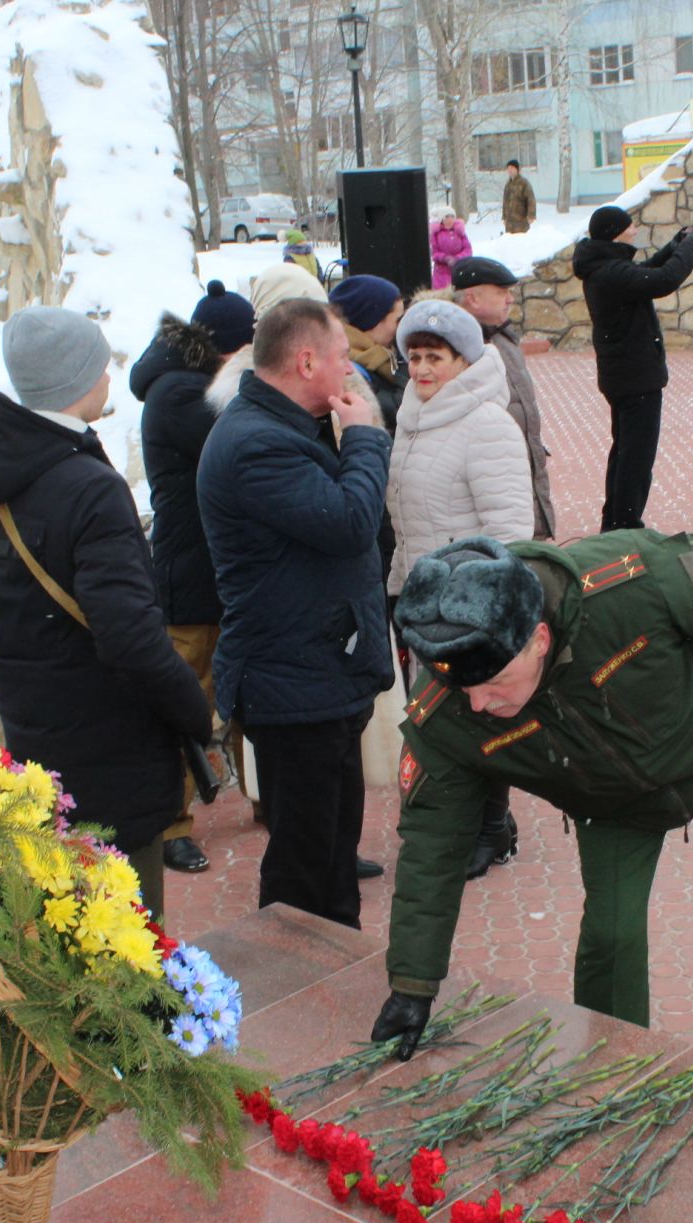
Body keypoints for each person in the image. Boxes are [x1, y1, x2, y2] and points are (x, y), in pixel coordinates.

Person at [370, 534, 693, 1070]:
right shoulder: (448, 713)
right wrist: (411, 986)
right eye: (465, 691)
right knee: (611, 936)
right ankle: (614, 1057)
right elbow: (431, 848)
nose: (479, 704)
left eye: (494, 684)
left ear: (538, 639)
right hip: (611, 803)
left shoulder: (631, 583)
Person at [0, 305, 212, 923]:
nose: (108, 377)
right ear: (77, 377)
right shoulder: (85, 485)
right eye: (101, 365)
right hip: (112, 749)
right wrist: (192, 709)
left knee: (74, 924)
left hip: (36, 735)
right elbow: (130, 636)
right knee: (129, 933)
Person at [196, 298, 394, 929]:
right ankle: (292, 997)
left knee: (332, 850)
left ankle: (337, 984)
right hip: (293, 682)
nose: (351, 373)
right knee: (303, 867)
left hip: (318, 676)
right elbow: (349, 523)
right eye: (342, 359)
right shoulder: (257, 443)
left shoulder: (282, 426)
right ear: (307, 361)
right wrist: (364, 437)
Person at [383, 300, 534, 881]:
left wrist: (482, 610)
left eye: (435, 357)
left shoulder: (487, 424)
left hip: (470, 610)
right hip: (422, 601)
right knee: (441, 723)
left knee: (477, 719)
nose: (421, 368)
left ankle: (491, 828)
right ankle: (468, 822)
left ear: (463, 360)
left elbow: (511, 531)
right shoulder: (413, 417)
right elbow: (406, 516)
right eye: (414, 356)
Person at [130, 280, 258, 876]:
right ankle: (173, 825)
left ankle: (263, 794)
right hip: (192, 575)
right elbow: (243, 449)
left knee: (245, 687)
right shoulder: (181, 395)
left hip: (221, 568)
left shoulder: (193, 384)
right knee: (188, 698)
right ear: (227, 348)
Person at [573, 206, 693, 532]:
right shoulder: (610, 273)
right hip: (634, 379)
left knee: (625, 453)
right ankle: (626, 525)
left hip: (625, 377)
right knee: (636, 458)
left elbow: (645, 272)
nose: (635, 230)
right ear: (615, 232)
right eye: (629, 226)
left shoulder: (603, 268)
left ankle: (615, 523)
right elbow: (663, 280)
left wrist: (674, 246)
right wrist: (692, 247)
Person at [451, 255, 554, 539]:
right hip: (489, 490)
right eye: (501, 292)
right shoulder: (456, 347)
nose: (510, 300)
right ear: (472, 299)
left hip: (518, 478)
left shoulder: (503, 338)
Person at [328, 273, 408, 430]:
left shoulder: (381, 357)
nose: (402, 327)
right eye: (398, 320)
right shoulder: (348, 371)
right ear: (372, 321)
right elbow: (396, 414)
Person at [429, 206, 471, 290]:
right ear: (441, 219)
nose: (450, 219)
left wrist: (457, 258)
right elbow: (434, 253)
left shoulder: (460, 232)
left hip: (459, 270)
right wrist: (446, 258)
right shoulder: (435, 234)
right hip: (441, 274)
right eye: (447, 217)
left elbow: (468, 249)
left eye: (452, 216)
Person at [501, 160, 536, 235]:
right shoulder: (508, 185)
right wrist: (504, 217)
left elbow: (531, 200)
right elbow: (505, 202)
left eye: (512, 168)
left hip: (521, 221)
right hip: (509, 224)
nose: (510, 170)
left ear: (517, 169)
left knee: (522, 242)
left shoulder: (524, 183)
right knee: (511, 243)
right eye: (508, 168)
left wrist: (531, 215)